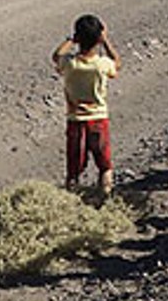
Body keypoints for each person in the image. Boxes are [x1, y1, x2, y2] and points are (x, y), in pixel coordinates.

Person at [51, 14, 122, 194]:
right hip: (98, 119)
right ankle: (105, 197)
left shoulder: (70, 64)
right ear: (98, 38)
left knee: (73, 168)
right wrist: (105, 41)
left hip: (75, 120)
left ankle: (71, 197)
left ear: (78, 38)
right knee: (104, 166)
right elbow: (117, 63)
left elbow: (56, 56)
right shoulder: (102, 64)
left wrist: (71, 40)